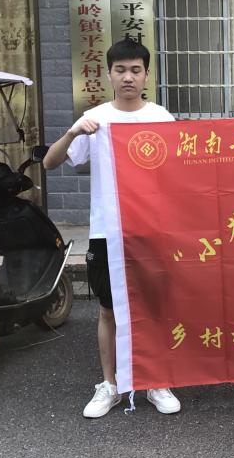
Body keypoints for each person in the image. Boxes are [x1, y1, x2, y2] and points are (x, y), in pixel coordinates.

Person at [43, 37, 182, 419]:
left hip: (152, 231)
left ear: (147, 75)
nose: (128, 77)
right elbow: (50, 163)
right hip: (107, 231)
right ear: (108, 75)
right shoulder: (96, 119)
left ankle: (156, 381)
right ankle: (111, 384)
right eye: (120, 70)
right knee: (108, 310)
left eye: (136, 70)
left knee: (154, 307)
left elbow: (183, 170)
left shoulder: (161, 118)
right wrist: (74, 133)